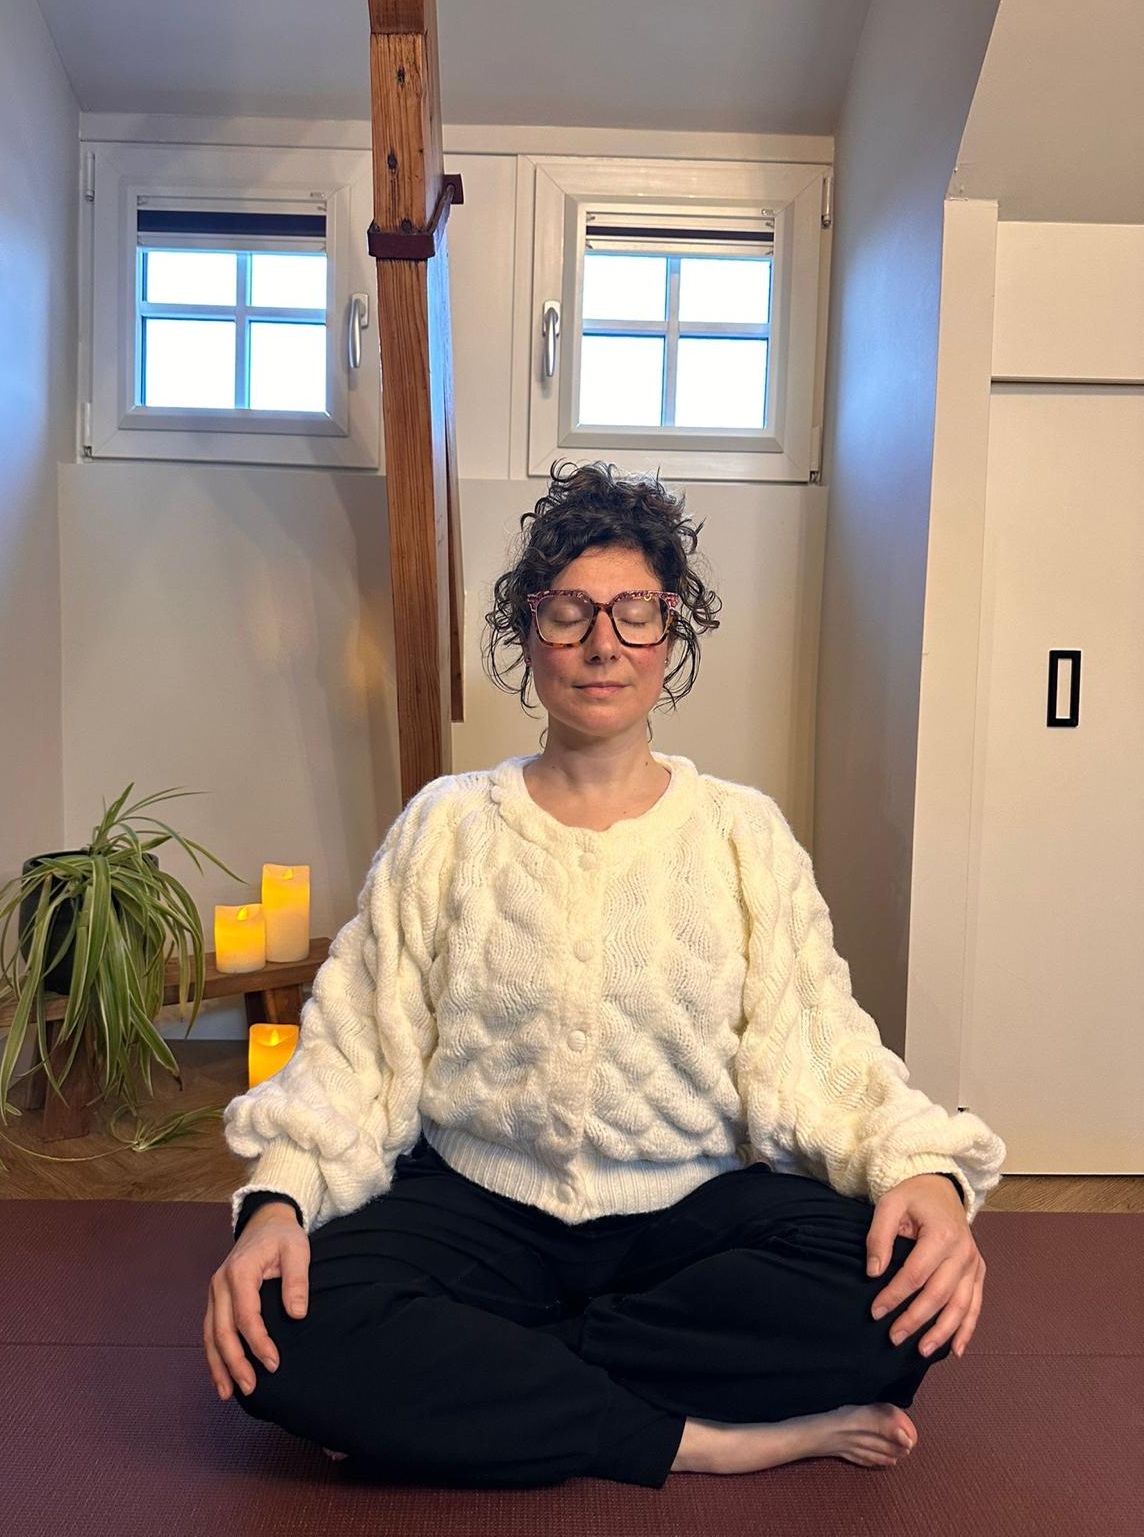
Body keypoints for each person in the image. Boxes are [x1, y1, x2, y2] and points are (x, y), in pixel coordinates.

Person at [203, 460, 1006, 1490]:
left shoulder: (742, 833)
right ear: (528, 629)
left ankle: (468, 1388)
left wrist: (925, 1174)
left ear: (672, 632)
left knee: (895, 1299)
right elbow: (354, 1046)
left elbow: (824, 1043)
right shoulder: (446, 826)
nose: (602, 643)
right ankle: (697, 1438)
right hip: (478, 1203)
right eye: (568, 611)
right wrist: (277, 1202)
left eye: (635, 612)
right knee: (279, 1329)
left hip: (692, 1213)